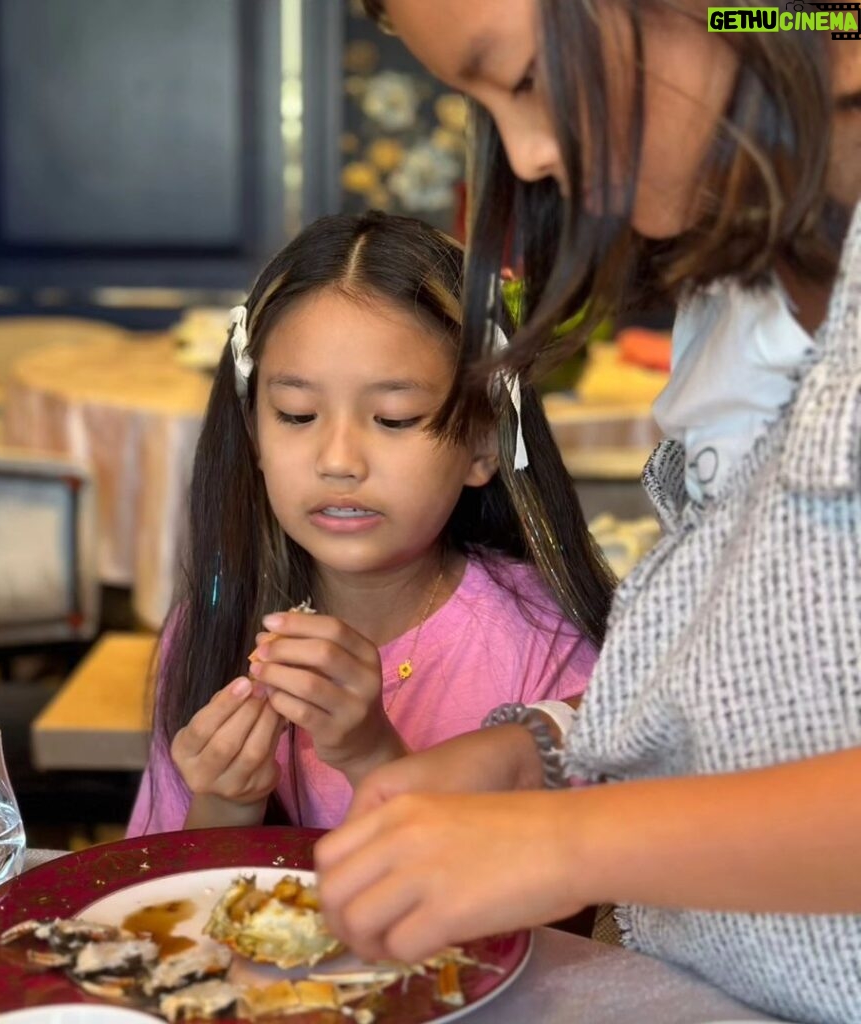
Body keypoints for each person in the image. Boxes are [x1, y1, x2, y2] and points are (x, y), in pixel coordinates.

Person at [315, 4, 861, 1024]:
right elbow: (762, 675)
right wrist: (538, 756)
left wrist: (566, 843)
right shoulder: (741, 266)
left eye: (522, 82)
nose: (525, 154)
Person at [126, 211, 613, 835]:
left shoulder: (547, 640)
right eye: (298, 415)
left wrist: (370, 755)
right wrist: (225, 803)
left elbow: (540, 909)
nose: (338, 462)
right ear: (252, 432)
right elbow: (161, 903)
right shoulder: (210, 630)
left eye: (395, 418)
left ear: (483, 444)